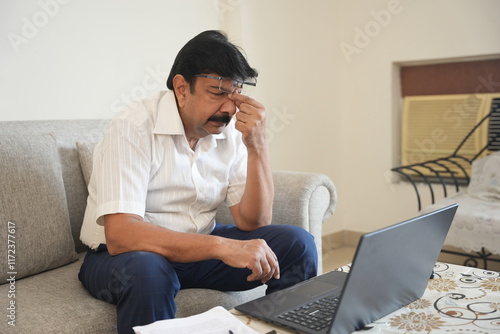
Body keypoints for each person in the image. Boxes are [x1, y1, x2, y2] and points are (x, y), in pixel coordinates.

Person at [78, 30, 318, 334]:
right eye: (217, 93)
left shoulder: (227, 132)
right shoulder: (133, 126)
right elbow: (121, 234)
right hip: (124, 258)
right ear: (181, 88)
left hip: (197, 252)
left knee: (298, 244)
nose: (229, 109)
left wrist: (257, 145)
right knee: (149, 272)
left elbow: (253, 220)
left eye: (236, 94)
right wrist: (220, 246)